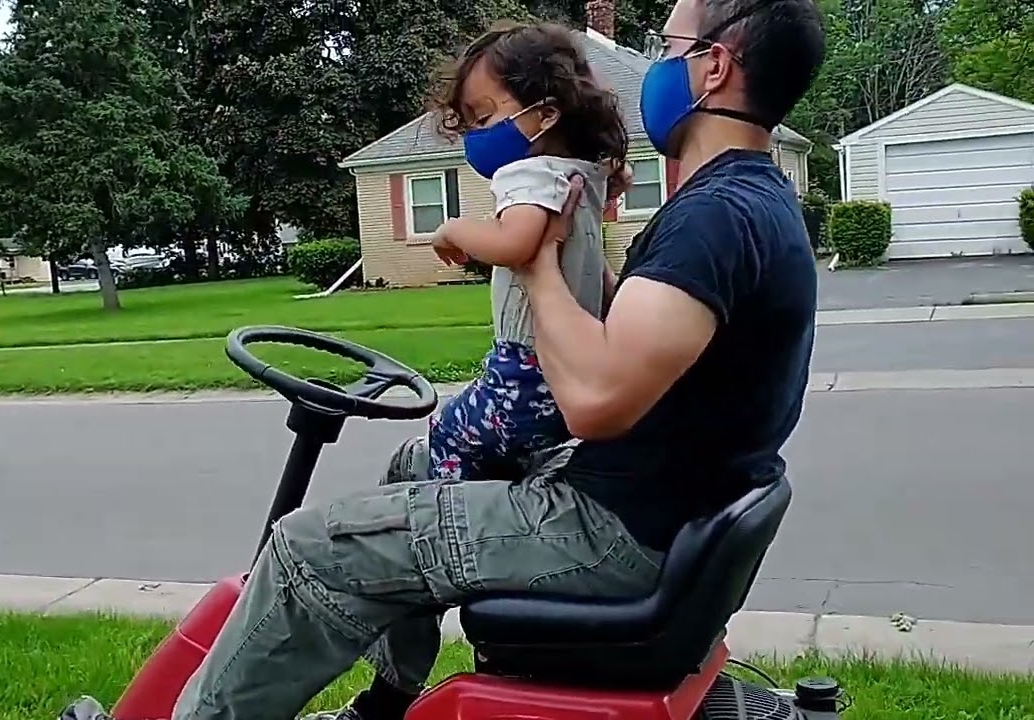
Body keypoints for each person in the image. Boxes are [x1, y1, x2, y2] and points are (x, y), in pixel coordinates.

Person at [61, 0, 825, 717]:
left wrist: (536, 263)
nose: (654, 66)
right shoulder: (751, 202)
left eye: (667, 47)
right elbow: (631, 335)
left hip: (605, 531)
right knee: (412, 464)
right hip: (650, 512)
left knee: (305, 549)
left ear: (715, 66)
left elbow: (595, 401)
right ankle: (389, 700)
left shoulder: (715, 217)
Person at [421, 22, 630, 482]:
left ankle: (453, 529)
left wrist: (451, 228)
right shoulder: (582, 177)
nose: (475, 134)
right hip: (571, 374)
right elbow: (598, 273)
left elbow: (514, 246)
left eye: (484, 117)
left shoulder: (529, 173)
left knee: (446, 435)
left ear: (545, 115)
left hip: (525, 375)